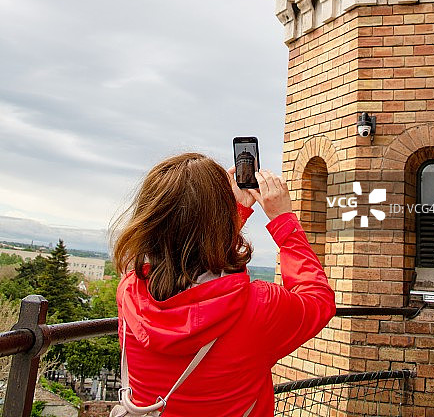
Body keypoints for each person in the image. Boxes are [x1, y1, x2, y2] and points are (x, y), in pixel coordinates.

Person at [112, 153, 336, 416]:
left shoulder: (130, 292)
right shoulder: (258, 306)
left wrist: (236, 213)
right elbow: (318, 299)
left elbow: (189, 252)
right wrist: (283, 219)